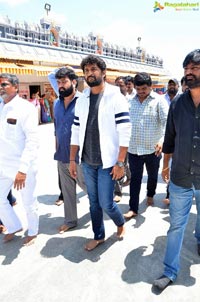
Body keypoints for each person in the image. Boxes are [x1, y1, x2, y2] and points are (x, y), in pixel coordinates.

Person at [69, 54, 131, 251]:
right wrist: (72, 159)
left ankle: (120, 223)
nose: (90, 73)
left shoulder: (115, 96)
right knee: (93, 202)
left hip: (108, 162)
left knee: (106, 203)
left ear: (103, 72)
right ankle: (99, 235)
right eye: (87, 71)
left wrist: (120, 163)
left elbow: (124, 131)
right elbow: (75, 130)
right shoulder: (82, 99)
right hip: (87, 161)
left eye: (94, 69)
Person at [153, 49, 200, 291]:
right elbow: (170, 137)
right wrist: (165, 164)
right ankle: (170, 270)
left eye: (194, 68)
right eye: (186, 69)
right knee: (176, 225)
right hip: (181, 174)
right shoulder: (177, 103)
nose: (189, 73)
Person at [0, 73, 39, 245]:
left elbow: (32, 140)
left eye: (4, 84)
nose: (1, 88)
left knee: (28, 201)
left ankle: (33, 231)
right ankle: (14, 225)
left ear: (16, 87)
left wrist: (22, 170)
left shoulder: (25, 108)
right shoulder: (0, 107)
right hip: (3, 164)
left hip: (22, 166)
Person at [124, 72, 169, 219]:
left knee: (152, 176)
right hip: (134, 149)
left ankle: (150, 194)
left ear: (150, 86)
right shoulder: (129, 101)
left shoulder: (159, 101)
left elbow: (166, 123)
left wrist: (162, 141)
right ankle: (133, 208)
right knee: (135, 179)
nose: (141, 92)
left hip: (153, 149)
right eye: (138, 88)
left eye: (144, 88)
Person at [48, 67, 86, 233]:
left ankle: (105, 209)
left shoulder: (84, 101)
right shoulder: (56, 103)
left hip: (81, 156)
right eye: (58, 82)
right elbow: (57, 128)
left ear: (74, 82)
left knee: (90, 189)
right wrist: (56, 146)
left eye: (64, 82)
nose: (61, 86)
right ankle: (70, 220)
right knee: (67, 190)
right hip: (62, 154)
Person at [162, 78, 181, 205]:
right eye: (169, 85)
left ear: (178, 86)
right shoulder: (162, 99)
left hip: (179, 138)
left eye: (173, 84)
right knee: (169, 167)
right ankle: (169, 193)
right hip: (168, 136)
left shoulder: (181, 101)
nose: (171, 87)